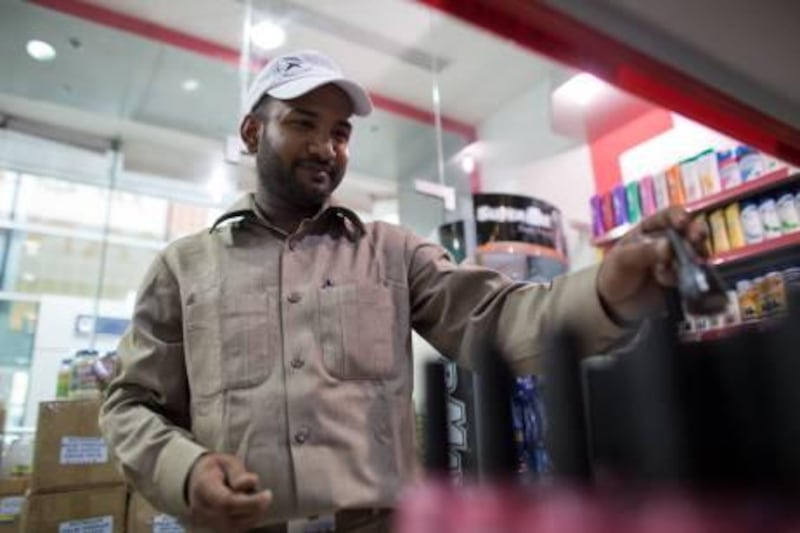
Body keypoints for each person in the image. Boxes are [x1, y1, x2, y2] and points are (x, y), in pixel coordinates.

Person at [99, 50, 707, 532]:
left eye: (340, 132)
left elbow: (498, 319)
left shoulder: (392, 253)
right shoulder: (182, 268)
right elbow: (130, 405)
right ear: (253, 132)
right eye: (302, 124)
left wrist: (607, 287)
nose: (325, 147)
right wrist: (187, 470)